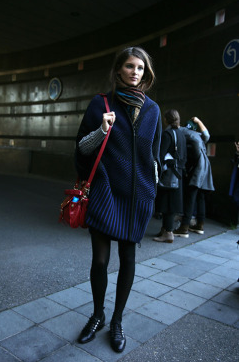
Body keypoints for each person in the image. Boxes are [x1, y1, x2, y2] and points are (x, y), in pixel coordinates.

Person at [75, 47, 162, 353]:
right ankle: (97, 315)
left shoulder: (153, 110)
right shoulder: (101, 103)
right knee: (100, 260)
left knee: (128, 260)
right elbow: (83, 149)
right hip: (105, 191)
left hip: (137, 196)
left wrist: (153, 184)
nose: (135, 72)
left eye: (140, 68)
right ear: (118, 70)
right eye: (129, 66)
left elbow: (154, 156)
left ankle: (116, 321)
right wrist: (102, 129)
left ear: (145, 73)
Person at [174, 117, 215, 237]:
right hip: (206, 167)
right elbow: (207, 135)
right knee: (200, 196)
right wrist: (198, 121)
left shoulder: (184, 131)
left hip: (197, 167)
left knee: (190, 197)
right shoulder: (199, 136)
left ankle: (184, 227)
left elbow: (173, 129)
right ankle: (200, 225)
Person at [153, 109, 187, 243]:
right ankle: (165, 230)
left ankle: (168, 232)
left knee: (167, 204)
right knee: (171, 204)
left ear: (166, 120)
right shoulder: (181, 134)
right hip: (178, 174)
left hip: (168, 175)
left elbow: (161, 155)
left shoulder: (168, 134)